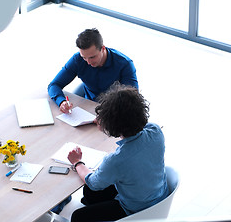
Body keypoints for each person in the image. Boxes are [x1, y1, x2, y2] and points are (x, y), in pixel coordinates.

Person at [67, 83, 168, 222]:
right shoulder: (155, 131)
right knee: (90, 194)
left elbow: (93, 182)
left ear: (110, 125)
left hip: (136, 208)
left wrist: (77, 162)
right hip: (158, 195)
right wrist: (109, 121)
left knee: (78, 216)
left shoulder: (116, 160)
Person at [48, 28, 139, 114]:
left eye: (92, 57)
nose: (88, 62)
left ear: (103, 48)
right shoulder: (77, 59)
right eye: (84, 57)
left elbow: (132, 100)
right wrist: (62, 102)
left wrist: (107, 116)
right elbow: (54, 85)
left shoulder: (125, 64)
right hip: (89, 106)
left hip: (114, 110)